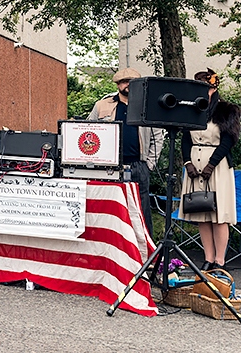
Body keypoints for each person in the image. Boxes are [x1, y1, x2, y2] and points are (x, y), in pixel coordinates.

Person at [88, 68, 164, 237]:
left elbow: (157, 137)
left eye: (131, 81)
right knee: (109, 208)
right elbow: (88, 130)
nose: (127, 85)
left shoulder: (148, 106)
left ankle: (145, 252)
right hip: (109, 166)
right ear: (117, 85)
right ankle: (111, 248)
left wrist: (149, 164)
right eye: (124, 82)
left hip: (138, 165)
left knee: (141, 210)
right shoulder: (102, 105)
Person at [179, 68, 240, 271]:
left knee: (218, 215)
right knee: (201, 214)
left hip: (217, 166)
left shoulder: (226, 110)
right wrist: (187, 162)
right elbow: (185, 139)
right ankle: (208, 257)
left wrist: (212, 164)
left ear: (213, 87)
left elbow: (229, 140)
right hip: (195, 166)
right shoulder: (192, 110)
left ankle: (219, 261)